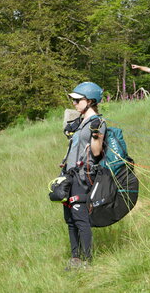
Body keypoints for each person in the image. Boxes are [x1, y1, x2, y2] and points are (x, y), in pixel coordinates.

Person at [62, 82, 106, 270]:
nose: (74, 103)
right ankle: (75, 259)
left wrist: (96, 133)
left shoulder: (98, 122)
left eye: (77, 100)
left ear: (90, 101)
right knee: (70, 219)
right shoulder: (80, 122)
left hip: (83, 176)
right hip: (69, 175)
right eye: (73, 99)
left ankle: (87, 261)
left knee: (80, 218)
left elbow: (96, 152)